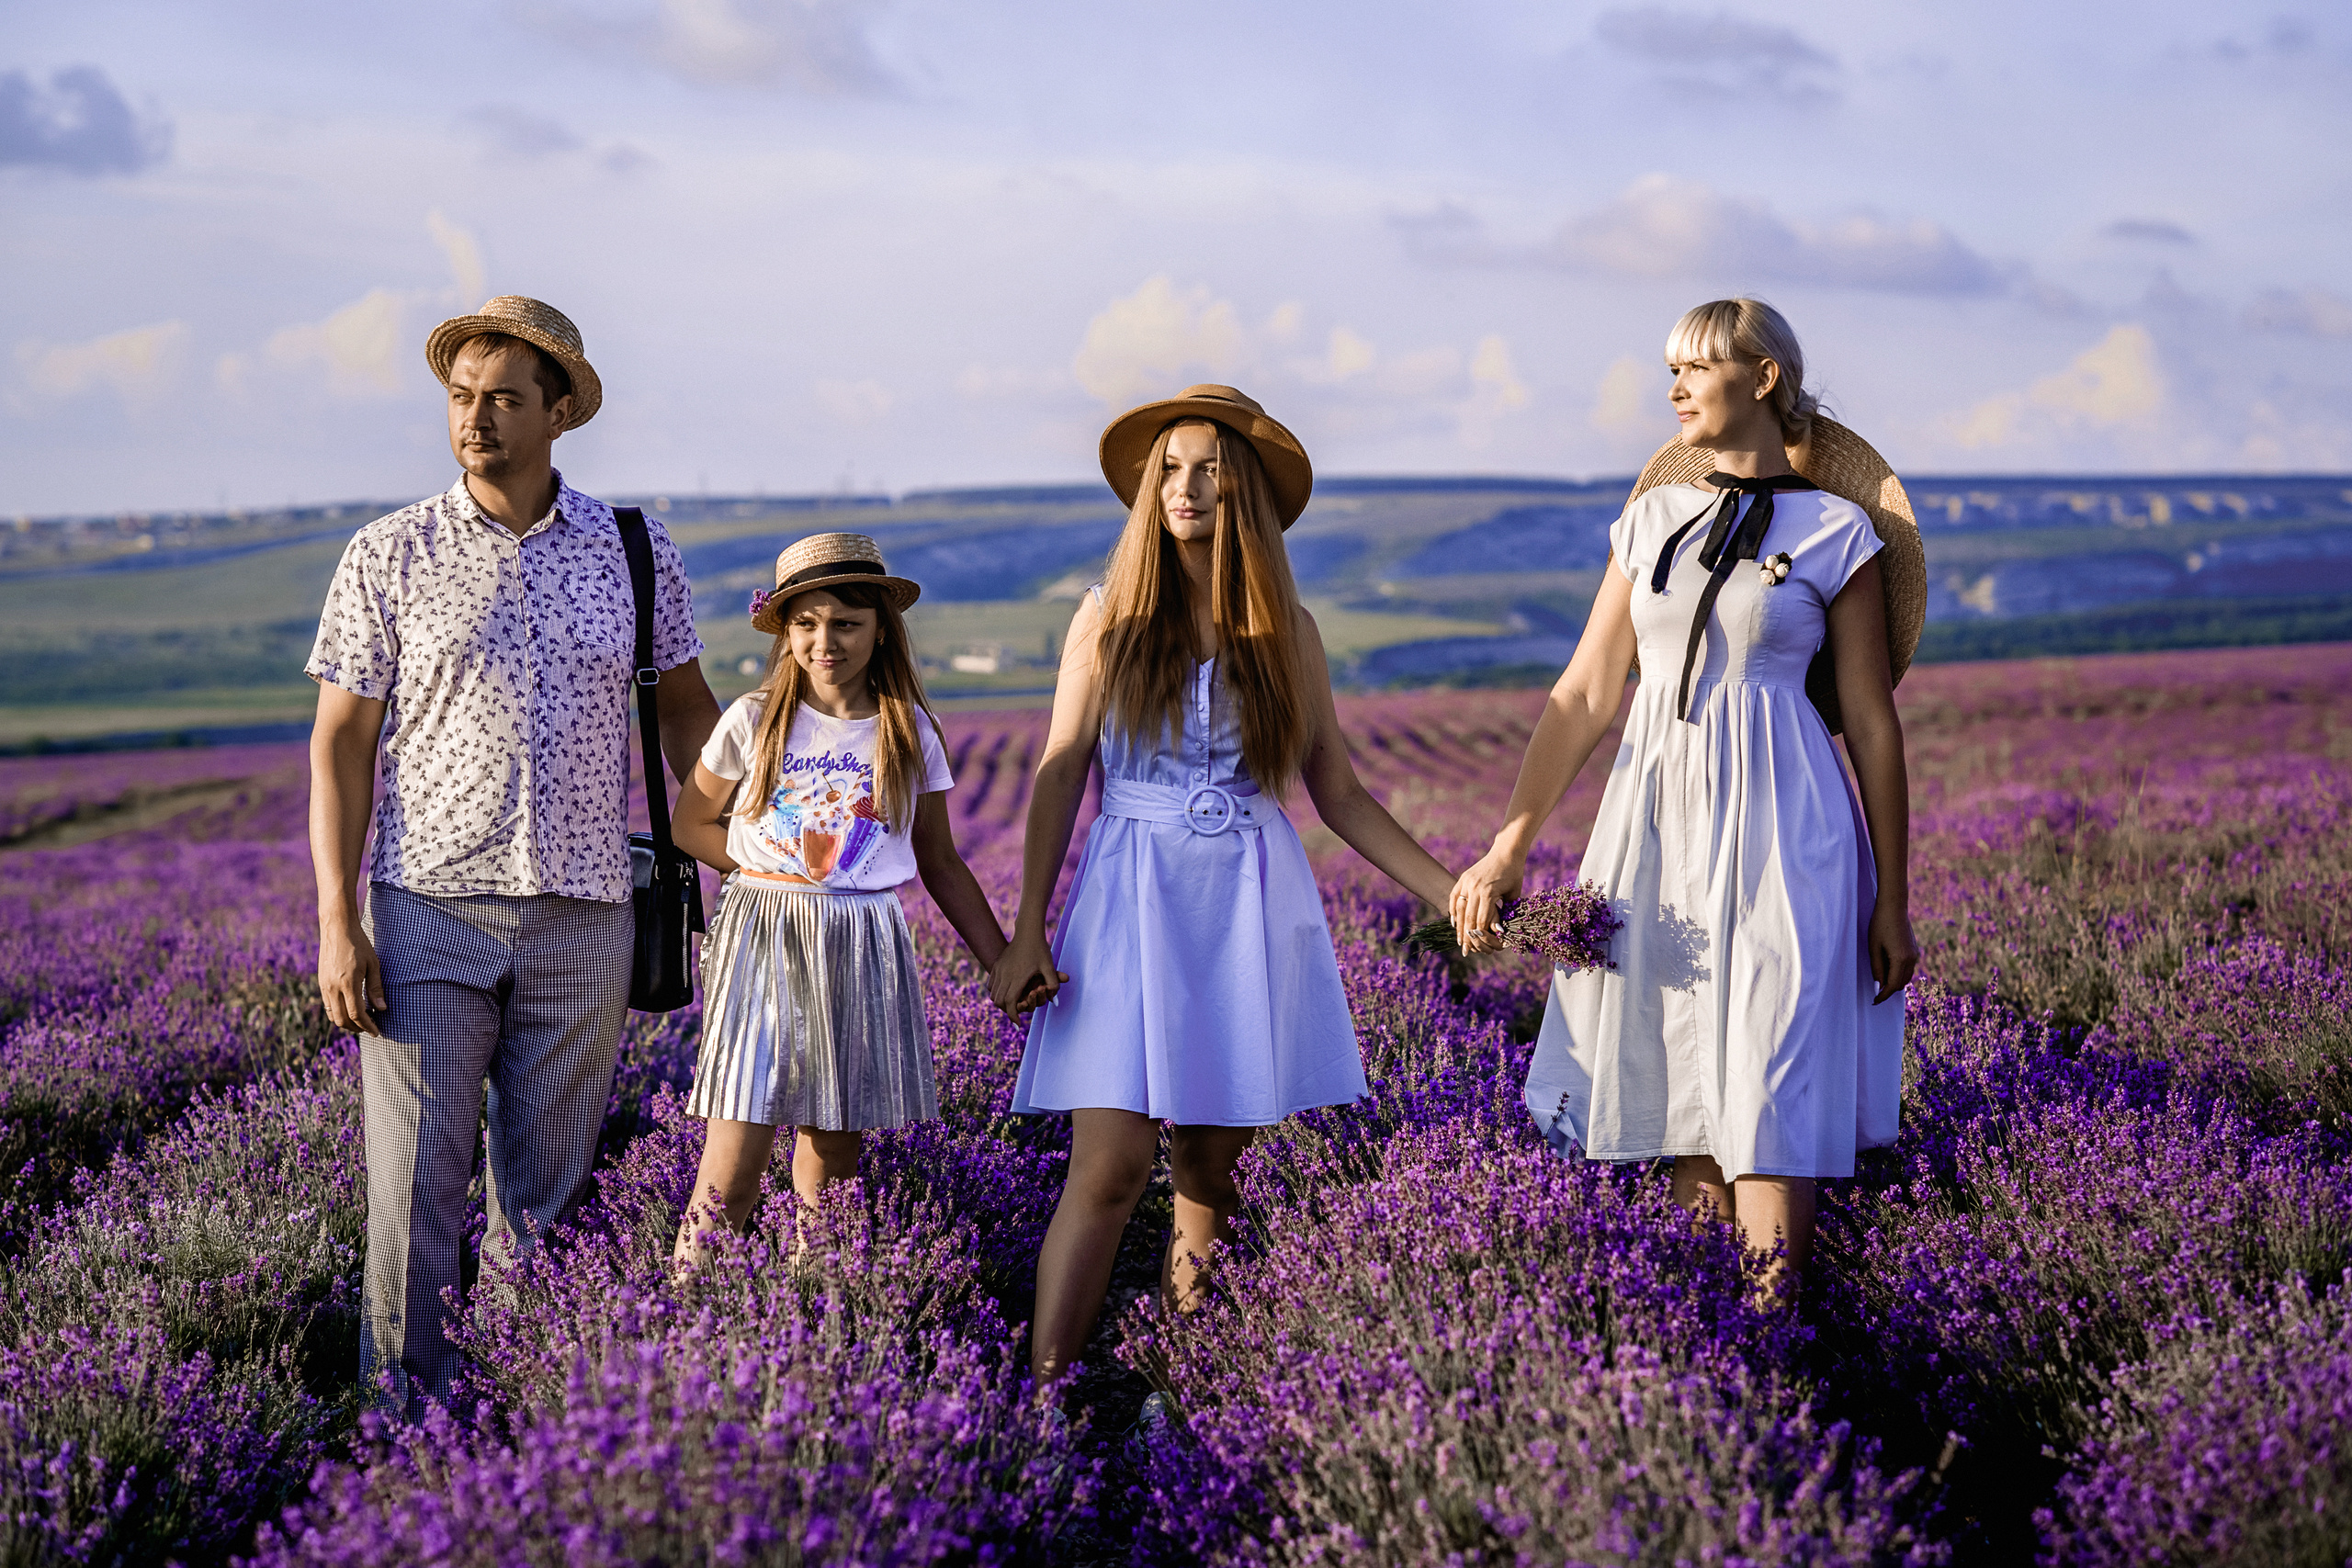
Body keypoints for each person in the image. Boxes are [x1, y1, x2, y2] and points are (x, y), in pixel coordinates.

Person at [1450, 298, 1922, 1297]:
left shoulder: (1840, 531)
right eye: (1668, 366)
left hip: (1788, 829)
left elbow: (1872, 722)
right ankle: (1717, 1361)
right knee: (1679, 1074)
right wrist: (1508, 846)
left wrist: (1892, 895)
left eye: (1696, 366)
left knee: (1770, 1075)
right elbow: (1583, 694)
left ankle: (1778, 1337)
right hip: (1655, 823)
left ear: (1762, 380)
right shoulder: (1649, 521)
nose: (1671, 385)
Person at [991, 385, 1460, 1391]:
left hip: (1247, 900)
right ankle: (1042, 1407)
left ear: (1241, 489)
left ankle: (1181, 1390)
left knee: (1211, 1173)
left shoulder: (1287, 628)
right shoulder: (1104, 618)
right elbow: (1060, 769)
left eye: (1206, 469)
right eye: (1168, 469)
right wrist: (1025, 929)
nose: (1184, 488)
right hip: (1128, 899)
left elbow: (1336, 789)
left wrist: (1447, 889)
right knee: (1110, 1168)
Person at [307, 295, 721, 1412]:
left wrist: (747, 847)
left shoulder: (634, 549)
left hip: (588, 913)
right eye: (460, 398)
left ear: (558, 412)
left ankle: (528, 1438)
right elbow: (340, 746)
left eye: (501, 399)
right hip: (428, 912)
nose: (476, 419)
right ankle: (406, 1437)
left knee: (548, 1205)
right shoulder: (389, 553)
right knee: (413, 1201)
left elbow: (688, 716)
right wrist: (337, 924)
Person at [666, 535, 1014, 1266]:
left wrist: (1001, 961)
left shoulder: (911, 731)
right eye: (808, 623)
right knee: (733, 1159)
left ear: (881, 627)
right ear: (786, 631)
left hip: (862, 940)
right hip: (762, 936)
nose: (826, 641)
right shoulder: (754, 718)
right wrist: (773, 868)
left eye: (847, 623)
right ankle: (684, 1328)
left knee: (832, 1164)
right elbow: (690, 824)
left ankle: (815, 1322)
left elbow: (941, 860)